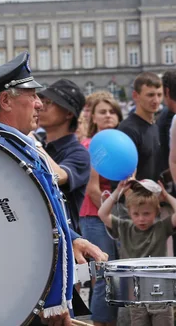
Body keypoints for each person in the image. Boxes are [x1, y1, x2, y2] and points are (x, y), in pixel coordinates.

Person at [0, 52, 107, 326]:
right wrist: (43, 300)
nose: (40, 104)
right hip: (23, 298)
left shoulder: (14, 146)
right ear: (6, 100)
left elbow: (39, 215)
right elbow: (12, 227)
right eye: (31, 94)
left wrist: (72, 238)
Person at [98, 179, 176, 326]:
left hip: (160, 293)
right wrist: (118, 191)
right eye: (136, 214)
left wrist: (165, 195)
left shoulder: (161, 227)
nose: (141, 219)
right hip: (136, 293)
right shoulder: (125, 227)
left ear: (157, 212)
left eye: (147, 213)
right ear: (129, 212)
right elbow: (102, 213)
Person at [79, 94, 123, 326]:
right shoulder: (91, 145)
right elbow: (93, 190)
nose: (108, 116)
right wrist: (112, 221)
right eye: (103, 112)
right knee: (104, 277)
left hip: (113, 216)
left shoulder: (118, 142)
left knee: (114, 278)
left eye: (112, 111)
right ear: (93, 117)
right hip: (96, 216)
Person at [36, 79, 90, 233]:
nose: (41, 106)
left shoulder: (79, 153)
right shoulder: (43, 146)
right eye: (42, 101)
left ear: (68, 113)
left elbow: (57, 176)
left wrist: (32, 142)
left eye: (49, 103)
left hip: (65, 240)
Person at [118, 72, 163, 182]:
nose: (156, 100)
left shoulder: (155, 126)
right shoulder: (128, 129)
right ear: (135, 96)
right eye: (150, 95)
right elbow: (122, 175)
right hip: (135, 197)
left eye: (159, 95)